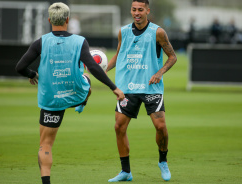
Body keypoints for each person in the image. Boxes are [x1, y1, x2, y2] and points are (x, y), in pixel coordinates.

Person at [15, 2, 125, 184]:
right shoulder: (80, 41)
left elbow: (20, 67)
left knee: (45, 144)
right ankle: (83, 102)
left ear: (49, 20)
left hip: (51, 100)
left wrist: (32, 74)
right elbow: (94, 68)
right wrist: (114, 88)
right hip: (75, 93)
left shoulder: (40, 42)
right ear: (67, 19)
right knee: (86, 77)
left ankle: (46, 182)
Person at [106, 0, 177, 182]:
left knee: (160, 126)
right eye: (134, 9)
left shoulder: (158, 32)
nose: (137, 12)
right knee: (118, 127)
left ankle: (162, 160)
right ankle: (126, 171)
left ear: (147, 10)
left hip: (151, 87)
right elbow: (119, 55)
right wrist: (103, 70)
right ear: (131, 10)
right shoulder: (123, 32)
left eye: (140, 9)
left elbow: (172, 57)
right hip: (128, 88)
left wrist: (160, 72)